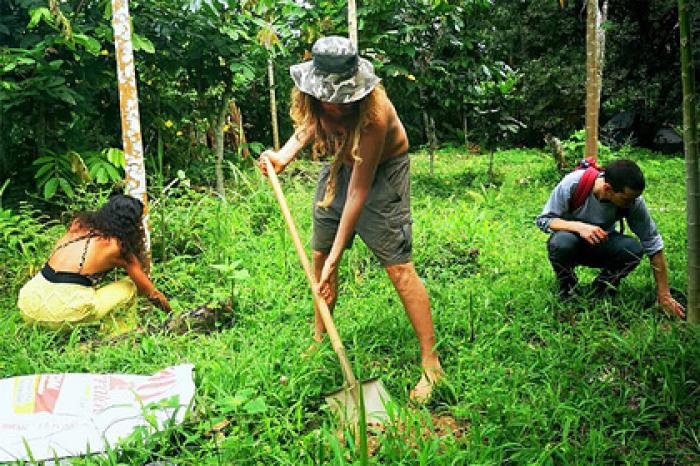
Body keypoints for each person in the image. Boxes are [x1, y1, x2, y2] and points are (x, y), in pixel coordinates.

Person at [259, 36, 443, 402]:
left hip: (381, 175)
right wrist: (284, 155)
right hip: (341, 167)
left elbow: (358, 194)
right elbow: (312, 124)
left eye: (341, 97)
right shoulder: (317, 101)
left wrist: (338, 258)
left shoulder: (375, 114)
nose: (333, 104)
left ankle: (431, 362)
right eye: (326, 95)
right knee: (318, 257)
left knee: (398, 268)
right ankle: (319, 338)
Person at [536, 159, 685, 318]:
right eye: (626, 199)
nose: (631, 204)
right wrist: (580, 227)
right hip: (571, 244)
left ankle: (601, 289)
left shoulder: (632, 201)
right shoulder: (573, 183)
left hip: (602, 245)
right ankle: (567, 287)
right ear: (608, 188)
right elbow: (544, 220)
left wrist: (664, 295)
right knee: (561, 243)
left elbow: (653, 242)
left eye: (634, 199)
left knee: (633, 249)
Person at [17, 194, 172, 329]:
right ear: (132, 225)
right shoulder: (117, 247)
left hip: (28, 306)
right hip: (63, 314)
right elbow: (150, 292)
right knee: (129, 286)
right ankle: (118, 336)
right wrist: (173, 315)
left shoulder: (78, 224)